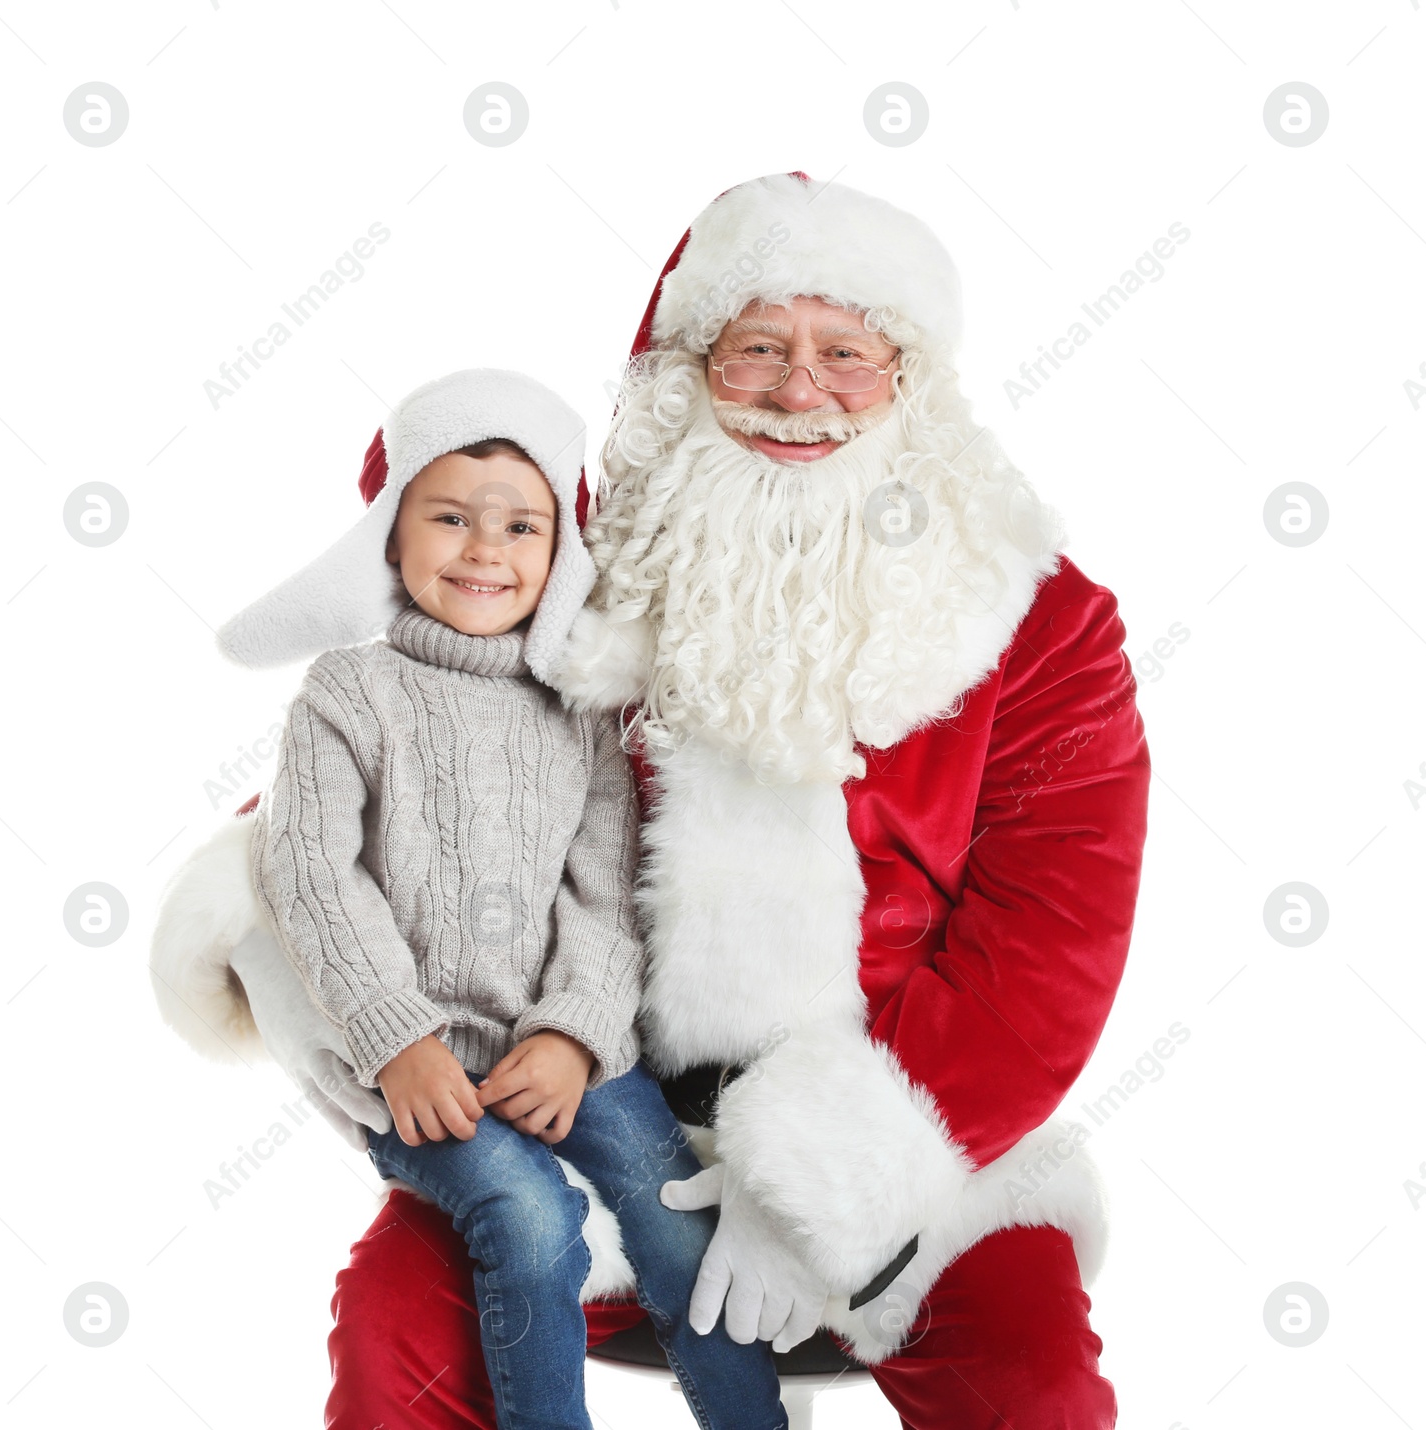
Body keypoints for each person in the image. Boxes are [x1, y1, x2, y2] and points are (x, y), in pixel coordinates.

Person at [154, 174, 1150, 1429]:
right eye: (758, 351)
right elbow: (386, 761)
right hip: (585, 1111)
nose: (800, 393)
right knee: (396, 1336)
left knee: (1036, 1389)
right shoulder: (573, 580)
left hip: (922, 1143)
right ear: (689, 367)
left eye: (846, 352)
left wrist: (831, 1187)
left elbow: (1049, 946)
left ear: (910, 378)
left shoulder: (1037, 619)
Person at [161, 368, 788, 1430]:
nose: (485, 551)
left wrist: (576, 1034)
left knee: (678, 1221)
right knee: (532, 1217)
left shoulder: (576, 711)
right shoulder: (347, 694)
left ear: (559, 554)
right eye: (450, 517)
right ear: (393, 539)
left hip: (562, 1048)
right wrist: (396, 1035)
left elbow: (606, 895)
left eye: (520, 526)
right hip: (422, 1063)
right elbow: (308, 872)